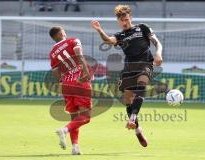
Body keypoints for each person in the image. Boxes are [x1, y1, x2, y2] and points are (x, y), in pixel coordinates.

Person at [91, 4, 163, 147]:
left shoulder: (142, 27)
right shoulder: (120, 35)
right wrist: (100, 30)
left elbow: (157, 42)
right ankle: (137, 130)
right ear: (118, 21)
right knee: (128, 98)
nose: (124, 22)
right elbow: (108, 41)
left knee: (141, 85)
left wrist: (158, 53)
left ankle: (132, 119)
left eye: (126, 19)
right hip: (129, 67)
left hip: (145, 64)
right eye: (121, 20)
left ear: (131, 18)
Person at [49, 26, 92, 155]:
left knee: (74, 117)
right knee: (86, 116)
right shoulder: (73, 41)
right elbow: (79, 54)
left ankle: (75, 147)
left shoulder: (53, 52)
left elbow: (56, 74)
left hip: (66, 85)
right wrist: (85, 72)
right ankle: (64, 130)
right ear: (62, 33)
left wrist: (66, 81)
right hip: (79, 80)